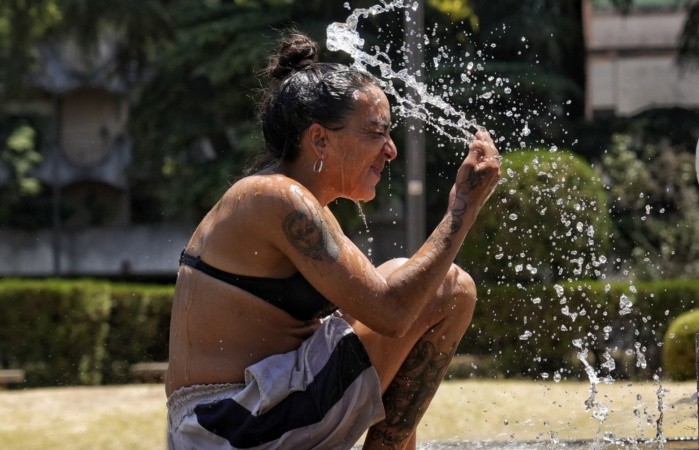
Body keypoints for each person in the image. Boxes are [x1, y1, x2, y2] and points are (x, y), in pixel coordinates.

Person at [165, 32, 501, 450]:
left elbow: (390, 323)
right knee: (449, 288)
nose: (391, 150)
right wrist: (462, 208)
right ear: (320, 139)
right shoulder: (277, 198)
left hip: (227, 426)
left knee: (410, 292)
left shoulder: (288, 199)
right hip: (232, 427)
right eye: (377, 132)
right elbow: (392, 312)